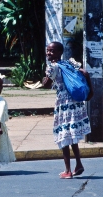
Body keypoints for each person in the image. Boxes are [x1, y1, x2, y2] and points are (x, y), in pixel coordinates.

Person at [42, 41, 93, 179]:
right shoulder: (69, 63)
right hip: (76, 102)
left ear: (59, 52)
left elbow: (46, 84)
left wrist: (44, 80)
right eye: (48, 50)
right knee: (72, 134)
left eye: (52, 51)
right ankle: (79, 164)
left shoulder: (52, 67)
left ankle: (68, 171)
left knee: (64, 135)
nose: (48, 53)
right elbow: (84, 72)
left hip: (64, 104)